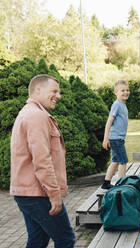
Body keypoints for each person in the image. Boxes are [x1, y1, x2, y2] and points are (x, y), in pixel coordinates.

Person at [10, 74, 75, 248]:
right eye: (54, 91)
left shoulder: (29, 113)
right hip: (38, 194)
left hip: (27, 193)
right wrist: (54, 195)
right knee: (66, 239)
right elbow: (42, 161)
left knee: (38, 241)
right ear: (38, 90)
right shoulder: (36, 116)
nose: (58, 96)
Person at [101, 79, 130, 189]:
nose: (126, 92)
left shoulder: (122, 104)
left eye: (127, 90)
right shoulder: (117, 105)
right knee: (123, 161)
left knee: (116, 160)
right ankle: (121, 185)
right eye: (122, 90)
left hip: (118, 138)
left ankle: (106, 183)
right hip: (115, 138)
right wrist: (105, 138)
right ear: (116, 92)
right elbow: (109, 121)